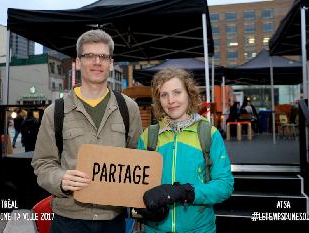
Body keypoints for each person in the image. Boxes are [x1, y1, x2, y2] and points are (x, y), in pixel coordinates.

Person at [31, 29, 142, 233]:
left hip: (114, 220)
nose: (97, 62)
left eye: (103, 56)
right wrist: (60, 179)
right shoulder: (55, 112)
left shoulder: (128, 108)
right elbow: (42, 163)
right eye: (89, 56)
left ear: (111, 62)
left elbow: (137, 158)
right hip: (68, 220)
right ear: (78, 62)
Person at [137, 68, 234, 233]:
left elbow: (224, 185)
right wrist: (142, 207)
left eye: (177, 92)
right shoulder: (148, 136)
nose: (171, 100)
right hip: (155, 229)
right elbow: (136, 184)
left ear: (189, 94)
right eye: (164, 95)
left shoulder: (208, 134)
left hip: (199, 229)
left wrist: (186, 192)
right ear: (158, 100)